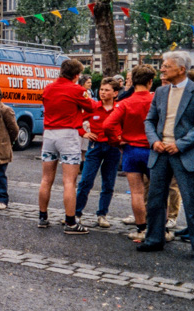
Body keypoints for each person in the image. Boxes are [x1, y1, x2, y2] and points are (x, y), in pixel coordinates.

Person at [137, 52, 194, 261]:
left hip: (185, 152)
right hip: (160, 152)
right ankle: (153, 240)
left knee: (193, 201)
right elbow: (149, 121)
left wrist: (180, 144)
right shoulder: (160, 92)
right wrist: (154, 141)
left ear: (181, 69)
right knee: (155, 199)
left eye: (167, 66)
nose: (162, 69)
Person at [37, 59, 95, 233]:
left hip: (49, 134)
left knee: (46, 178)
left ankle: (42, 217)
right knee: (69, 181)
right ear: (77, 75)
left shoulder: (48, 88)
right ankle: (70, 221)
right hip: (68, 134)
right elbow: (91, 107)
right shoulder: (78, 90)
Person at [103, 66, 155, 241]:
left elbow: (107, 125)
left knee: (137, 193)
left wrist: (116, 140)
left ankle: (141, 229)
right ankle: (158, 228)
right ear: (150, 81)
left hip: (131, 149)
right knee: (157, 192)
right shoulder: (155, 99)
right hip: (153, 149)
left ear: (132, 81)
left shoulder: (125, 102)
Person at [74, 78, 122, 227]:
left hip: (113, 148)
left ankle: (102, 214)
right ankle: (76, 213)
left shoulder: (120, 108)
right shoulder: (93, 106)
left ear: (115, 93)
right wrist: (84, 133)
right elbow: (77, 121)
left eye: (107, 90)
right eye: (101, 89)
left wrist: (123, 138)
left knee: (108, 183)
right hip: (95, 147)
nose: (103, 92)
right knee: (86, 181)